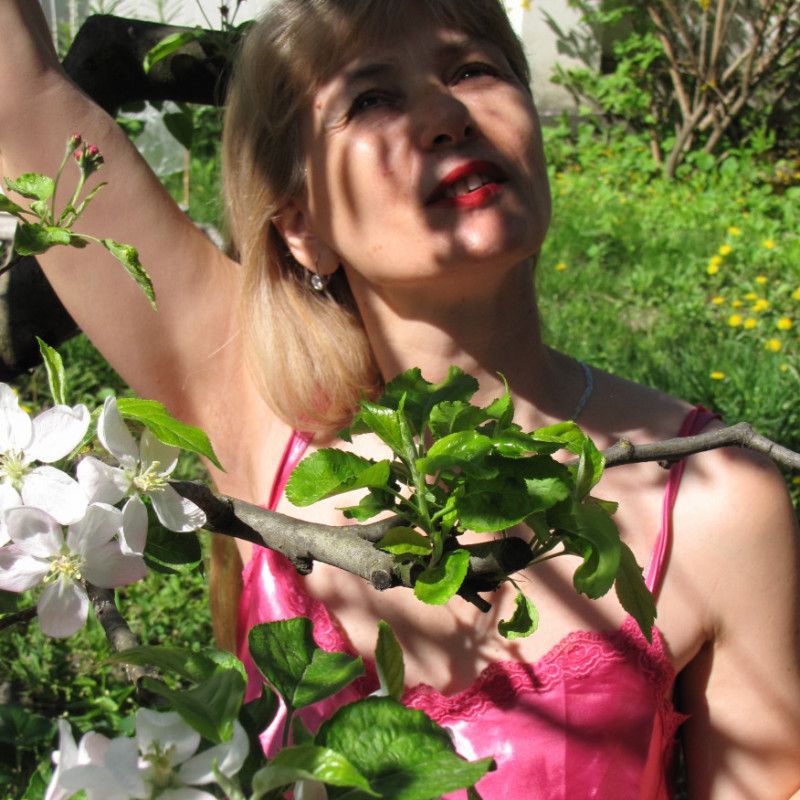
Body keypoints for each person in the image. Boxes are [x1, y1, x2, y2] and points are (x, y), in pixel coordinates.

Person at [1, 0, 799, 796]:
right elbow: (20, 89)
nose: (449, 114)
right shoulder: (252, 413)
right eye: (371, 98)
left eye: (473, 69)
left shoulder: (713, 505)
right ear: (300, 223)